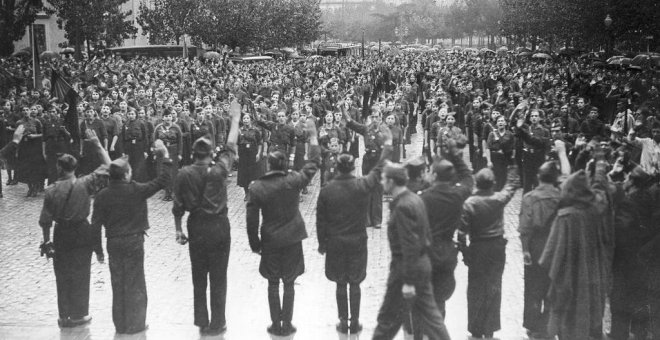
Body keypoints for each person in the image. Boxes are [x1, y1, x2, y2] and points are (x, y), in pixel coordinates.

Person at [171, 99, 241, 336]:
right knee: (219, 277)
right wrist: (235, 118)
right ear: (211, 154)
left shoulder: (183, 173)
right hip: (219, 226)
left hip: (196, 227)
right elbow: (231, 143)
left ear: (192, 154)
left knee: (198, 276)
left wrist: (179, 230)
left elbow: (177, 206)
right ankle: (218, 323)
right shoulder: (220, 169)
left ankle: (201, 320)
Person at [246, 118, 320, 336]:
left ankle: (274, 323)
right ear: (284, 165)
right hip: (292, 238)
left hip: (269, 239)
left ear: (269, 165)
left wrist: (254, 244)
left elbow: (251, 220)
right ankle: (287, 324)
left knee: (272, 282)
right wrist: (313, 136)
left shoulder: (257, 187)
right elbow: (313, 164)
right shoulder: (294, 180)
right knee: (289, 282)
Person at [316, 124, 393, 334]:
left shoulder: (327, 190)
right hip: (358, 240)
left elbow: (320, 220)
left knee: (340, 282)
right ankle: (356, 320)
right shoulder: (362, 184)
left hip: (335, 242)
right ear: (352, 168)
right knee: (356, 282)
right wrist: (387, 145)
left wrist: (322, 244)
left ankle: (342, 320)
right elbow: (378, 169)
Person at [90, 139, 171, 334]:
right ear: (126, 174)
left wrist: (98, 251)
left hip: (113, 242)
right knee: (136, 282)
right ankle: (136, 324)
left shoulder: (102, 195)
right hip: (134, 241)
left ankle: (121, 324)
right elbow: (162, 180)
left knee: (117, 282)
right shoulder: (137, 190)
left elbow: (95, 225)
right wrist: (165, 156)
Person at [38, 129, 110, 328]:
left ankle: (64, 315)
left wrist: (47, 241)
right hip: (81, 231)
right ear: (75, 168)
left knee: (61, 273)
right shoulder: (85, 183)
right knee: (81, 272)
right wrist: (96, 143)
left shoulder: (50, 190)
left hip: (61, 233)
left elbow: (45, 220)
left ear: (59, 168)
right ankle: (80, 314)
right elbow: (109, 167)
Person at [372, 162, 451, 340]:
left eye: (384, 179)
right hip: (421, 266)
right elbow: (426, 237)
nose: (382, 182)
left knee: (387, 319)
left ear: (392, 182)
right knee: (433, 320)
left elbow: (409, 245)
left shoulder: (402, 207)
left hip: (405, 270)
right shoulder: (415, 199)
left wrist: (408, 281)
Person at [539, 159, 615, 340]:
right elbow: (601, 193)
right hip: (592, 276)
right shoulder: (596, 210)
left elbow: (549, 253)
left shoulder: (565, 217)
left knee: (568, 320)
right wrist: (599, 170)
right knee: (588, 315)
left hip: (569, 277)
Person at [457, 163, 520, 339]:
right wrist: (512, 167)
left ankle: (476, 330)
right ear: (492, 183)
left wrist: (466, 254)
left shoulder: (469, 204)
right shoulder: (499, 199)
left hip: (477, 248)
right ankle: (490, 330)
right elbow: (512, 186)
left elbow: (461, 233)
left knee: (476, 289)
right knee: (494, 287)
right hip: (496, 248)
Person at [419, 138, 474, 318]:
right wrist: (457, 157)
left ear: (434, 176)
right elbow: (467, 178)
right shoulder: (457, 195)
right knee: (441, 299)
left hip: (426, 252)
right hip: (447, 252)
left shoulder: (423, 198)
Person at [518, 161, 561, 339]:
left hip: (536, 245)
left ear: (538, 177)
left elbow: (525, 227)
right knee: (553, 285)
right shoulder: (562, 197)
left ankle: (533, 325)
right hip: (557, 246)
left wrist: (525, 250)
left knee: (534, 287)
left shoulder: (530, 197)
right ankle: (548, 324)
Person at [345, 107, 386, 228]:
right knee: (367, 188)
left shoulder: (385, 131)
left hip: (378, 160)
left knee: (378, 190)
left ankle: (377, 220)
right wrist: (342, 108)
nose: (374, 119)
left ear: (380, 118)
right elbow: (350, 122)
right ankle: (367, 219)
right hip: (367, 159)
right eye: (372, 117)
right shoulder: (365, 129)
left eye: (376, 117)